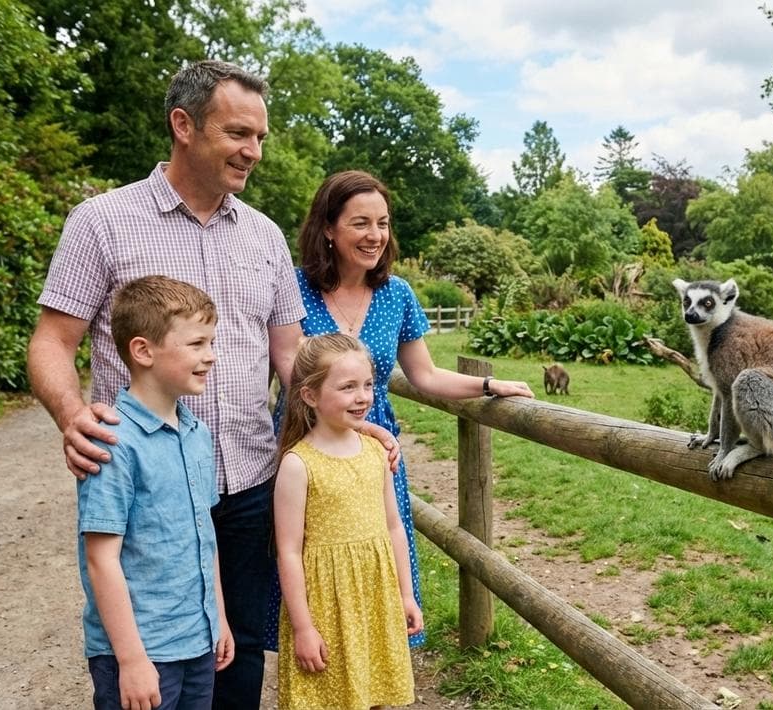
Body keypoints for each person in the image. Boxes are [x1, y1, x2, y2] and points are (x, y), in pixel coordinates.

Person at [28, 60, 393, 709]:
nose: (253, 151)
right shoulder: (102, 222)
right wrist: (70, 413)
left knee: (240, 651)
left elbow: (292, 357)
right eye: (238, 133)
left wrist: (345, 418)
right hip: (153, 491)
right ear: (183, 126)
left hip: (252, 478)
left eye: (260, 136)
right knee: (146, 659)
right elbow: (52, 342)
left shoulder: (265, 236)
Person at [274, 170, 534, 648]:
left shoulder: (397, 294)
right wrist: (361, 430)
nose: (375, 236)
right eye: (360, 223)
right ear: (328, 229)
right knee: (313, 557)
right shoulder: (292, 287)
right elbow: (292, 371)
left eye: (383, 223)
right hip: (312, 450)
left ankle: (378, 674)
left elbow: (426, 375)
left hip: (376, 451)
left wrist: (489, 383)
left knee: (380, 553)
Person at [78, 276, 234, 710]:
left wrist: (218, 617)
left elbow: (206, 536)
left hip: (198, 641)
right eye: (197, 344)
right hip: (141, 653)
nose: (211, 356)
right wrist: (131, 660)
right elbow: (101, 558)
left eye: (211, 342)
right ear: (143, 351)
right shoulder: (112, 441)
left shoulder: (198, 433)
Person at [273, 334, 421, 709]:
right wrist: (303, 628)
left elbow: (393, 526)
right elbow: (288, 551)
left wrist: (406, 594)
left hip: (375, 597)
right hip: (327, 606)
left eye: (368, 385)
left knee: (373, 691)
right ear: (310, 395)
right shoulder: (298, 464)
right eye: (348, 387)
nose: (363, 396)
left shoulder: (376, 451)